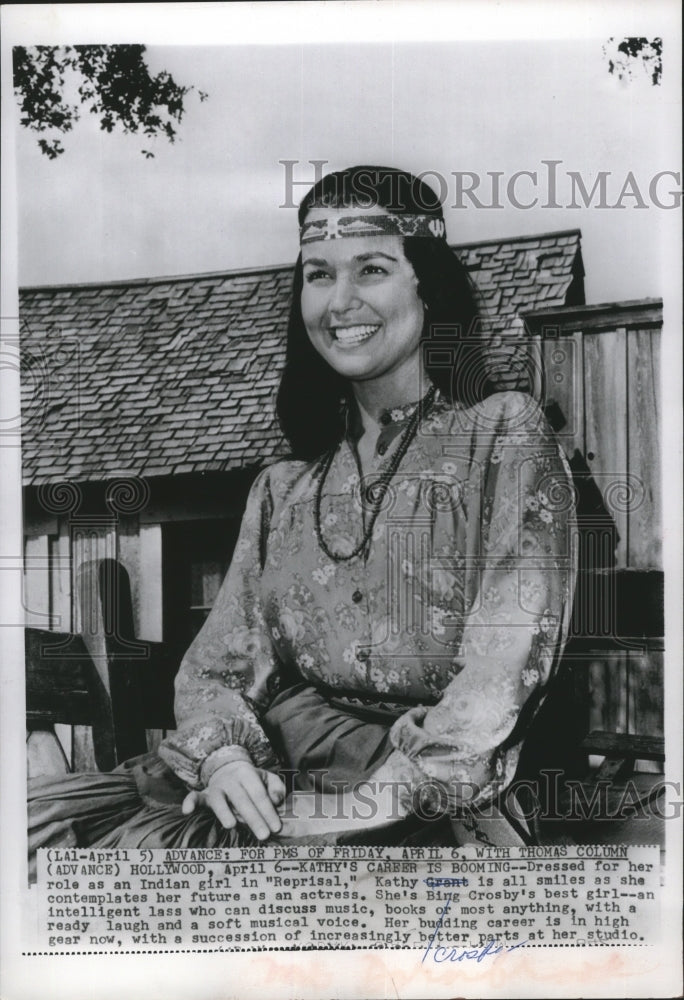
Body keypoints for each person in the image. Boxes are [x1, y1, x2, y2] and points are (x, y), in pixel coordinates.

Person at [28, 166, 576, 864]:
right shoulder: (283, 489)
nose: (339, 303)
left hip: (428, 794)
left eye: (371, 269)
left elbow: (508, 659)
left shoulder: (503, 434)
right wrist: (226, 763)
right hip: (272, 774)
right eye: (318, 275)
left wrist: (373, 802)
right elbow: (216, 673)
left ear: (427, 283)